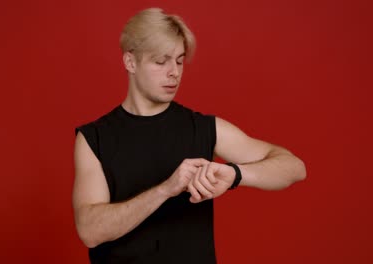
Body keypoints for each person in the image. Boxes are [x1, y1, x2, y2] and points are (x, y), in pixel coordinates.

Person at [73, 7, 306, 264]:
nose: (174, 72)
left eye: (180, 60)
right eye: (161, 61)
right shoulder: (94, 137)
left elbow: (294, 167)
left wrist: (235, 174)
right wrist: (165, 190)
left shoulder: (205, 128)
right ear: (130, 62)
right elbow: (90, 231)